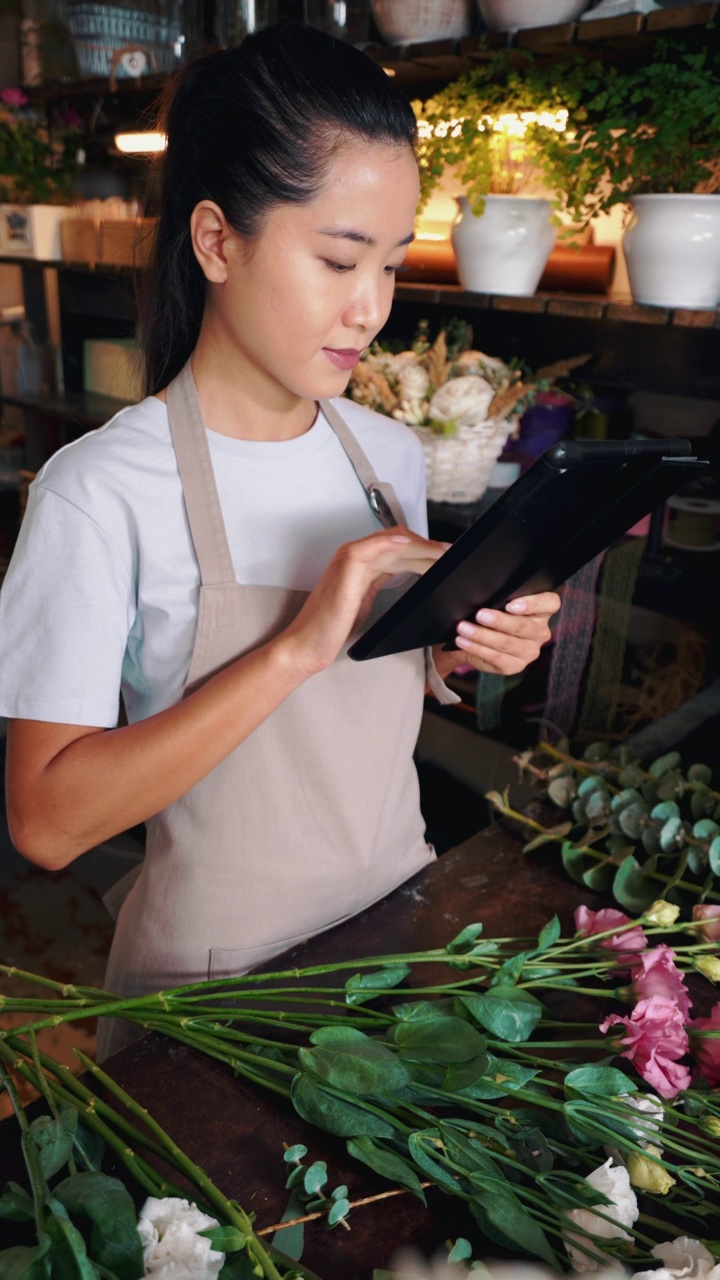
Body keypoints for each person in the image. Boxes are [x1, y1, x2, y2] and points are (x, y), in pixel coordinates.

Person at [0, 24, 559, 1058]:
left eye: (390, 264)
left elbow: (371, 685)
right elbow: (46, 822)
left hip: (397, 939)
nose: (371, 308)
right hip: (211, 1001)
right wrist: (295, 646)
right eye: (339, 258)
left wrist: (461, 644)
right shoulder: (100, 491)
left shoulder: (386, 455)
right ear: (218, 241)